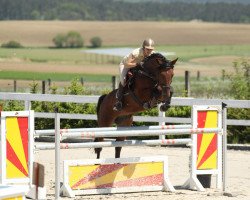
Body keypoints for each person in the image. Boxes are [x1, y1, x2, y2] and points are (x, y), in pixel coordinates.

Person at [113, 38, 155, 111]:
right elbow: (127, 64)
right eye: (147, 49)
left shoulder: (153, 54)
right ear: (143, 47)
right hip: (125, 65)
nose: (149, 51)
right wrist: (137, 64)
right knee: (123, 80)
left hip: (137, 66)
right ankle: (118, 101)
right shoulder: (136, 53)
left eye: (151, 49)